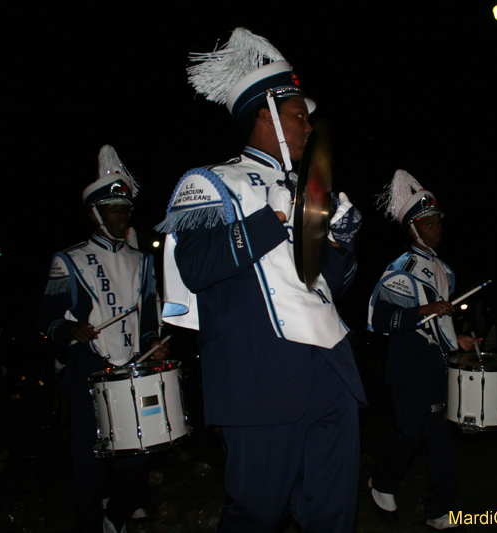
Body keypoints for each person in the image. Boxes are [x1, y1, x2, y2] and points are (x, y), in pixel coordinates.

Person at [156, 28, 366, 532]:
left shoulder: (309, 189)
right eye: (299, 115)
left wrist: (340, 242)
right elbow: (197, 268)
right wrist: (269, 221)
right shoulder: (209, 181)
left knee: (332, 512)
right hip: (260, 374)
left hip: (331, 368)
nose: (307, 126)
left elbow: (326, 286)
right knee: (258, 513)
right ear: (267, 113)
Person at [38, 145, 168, 533]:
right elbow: (46, 319)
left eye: (126, 209)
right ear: (96, 214)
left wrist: (155, 341)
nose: (123, 215)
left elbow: (147, 316)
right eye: (115, 209)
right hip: (87, 365)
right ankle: (92, 524)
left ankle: (116, 516)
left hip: (133, 365)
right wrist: (69, 330)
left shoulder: (142, 261)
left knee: (139, 451)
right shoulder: (69, 259)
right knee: (89, 460)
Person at [367, 170, 478, 530]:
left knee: (442, 442)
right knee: (412, 435)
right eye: (428, 223)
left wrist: (457, 340)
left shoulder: (445, 269)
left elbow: (441, 320)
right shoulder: (401, 269)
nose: (436, 228)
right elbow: (379, 320)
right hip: (409, 368)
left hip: (437, 366)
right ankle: (382, 480)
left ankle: (438, 509)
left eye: (438, 222)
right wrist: (424, 311)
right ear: (413, 228)